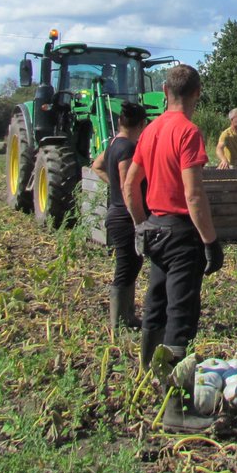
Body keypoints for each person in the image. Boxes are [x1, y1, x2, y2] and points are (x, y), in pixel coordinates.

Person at [123, 64, 224, 430]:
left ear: (165, 91)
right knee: (180, 319)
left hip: (155, 231)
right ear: (197, 93)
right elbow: (194, 195)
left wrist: (140, 224)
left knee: (156, 307)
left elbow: (130, 183)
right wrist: (210, 242)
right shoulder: (188, 132)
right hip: (182, 235)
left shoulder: (150, 130)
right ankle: (176, 410)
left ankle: (148, 383)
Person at [89, 101, 148, 331]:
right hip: (124, 217)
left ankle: (128, 317)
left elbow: (97, 165)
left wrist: (112, 184)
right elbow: (128, 186)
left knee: (132, 264)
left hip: (117, 212)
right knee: (125, 267)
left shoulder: (114, 142)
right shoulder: (127, 148)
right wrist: (139, 220)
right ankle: (118, 322)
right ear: (142, 124)